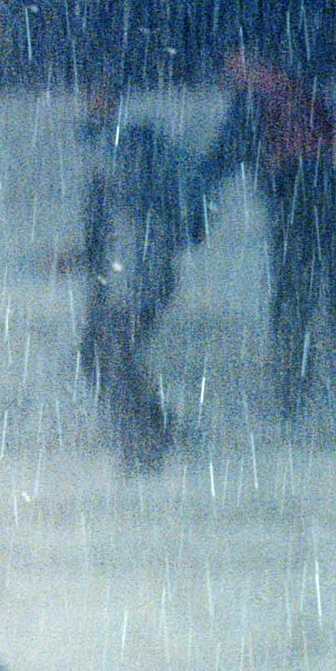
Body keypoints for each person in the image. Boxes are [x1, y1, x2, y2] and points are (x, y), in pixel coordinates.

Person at [198, 50, 336, 417]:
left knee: (292, 288)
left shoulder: (254, 97)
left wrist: (196, 186)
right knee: (333, 272)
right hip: (335, 183)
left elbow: (228, 151)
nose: (229, 77)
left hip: (298, 187)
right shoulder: (299, 89)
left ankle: (293, 387)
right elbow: (335, 141)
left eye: (234, 68)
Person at [74, 87, 205, 474]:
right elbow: (106, 220)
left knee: (111, 357)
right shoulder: (102, 142)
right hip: (125, 275)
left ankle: (146, 445)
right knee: (101, 357)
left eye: (96, 91)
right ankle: (157, 431)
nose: (88, 98)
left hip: (135, 275)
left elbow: (129, 215)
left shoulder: (125, 143)